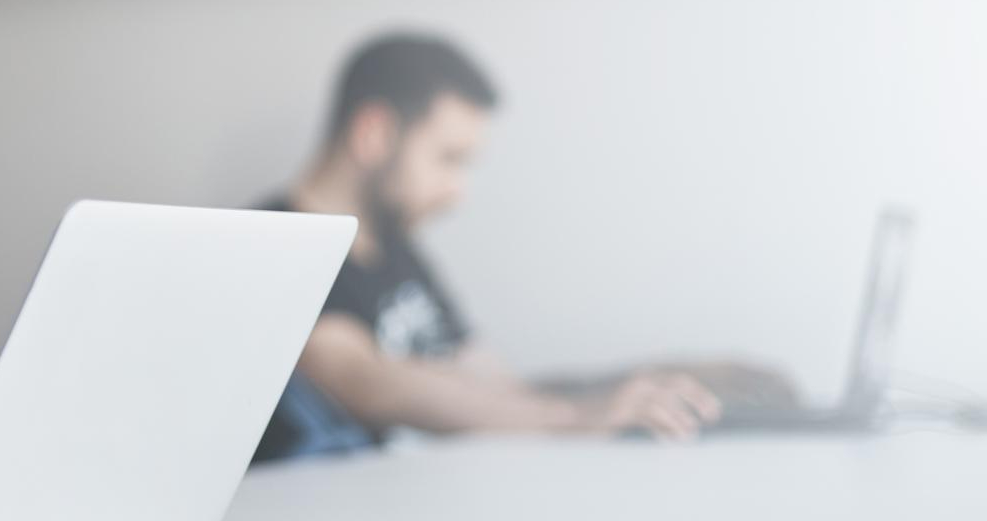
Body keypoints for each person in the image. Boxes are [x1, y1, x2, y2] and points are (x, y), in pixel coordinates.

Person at [255, 33, 781, 461]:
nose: (457, 191)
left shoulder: (394, 248)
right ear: (373, 133)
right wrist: (576, 419)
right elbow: (366, 381)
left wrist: (657, 383)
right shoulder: (274, 243)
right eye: (449, 158)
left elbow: (492, 383)